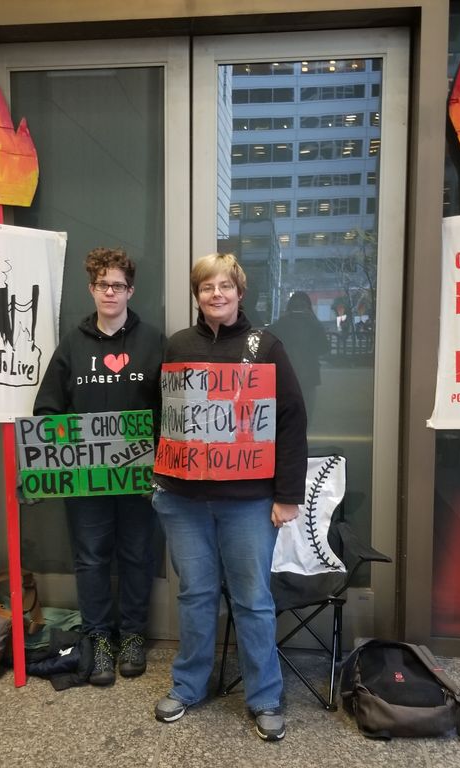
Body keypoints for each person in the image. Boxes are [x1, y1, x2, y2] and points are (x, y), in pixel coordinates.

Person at [151, 253, 307, 742]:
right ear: (196, 295)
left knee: (253, 599)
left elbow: (291, 421)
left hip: (247, 500)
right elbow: (162, 414)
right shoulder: (177, 346)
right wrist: (157, 478)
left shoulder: (267, 347)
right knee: (195, 594)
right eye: (205, 288)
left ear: (240, 292)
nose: (215, 294)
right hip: (182, 499)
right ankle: (189, 685)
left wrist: (287, 496)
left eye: (224, 286)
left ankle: (264, 696)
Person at [33, 247, 166, 686]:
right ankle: (98, 638)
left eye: (119, 285)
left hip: (139, 479)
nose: (110, 292)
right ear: (91, 289)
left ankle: (131, 635)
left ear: (131, 290)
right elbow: (47, 411)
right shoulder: (72, 345)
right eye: (102, 285)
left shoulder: (153, 343)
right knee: (90, 559)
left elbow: (171, 410)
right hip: (85, 481)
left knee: (137, 556)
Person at [268, 291, 330, 419]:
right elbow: (324, 348)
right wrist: (313, 321)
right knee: (306, 415)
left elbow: (268, 339)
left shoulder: (282, 324)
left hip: (286, 375)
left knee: (287, 415)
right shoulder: (312, 324)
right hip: (307, 377)